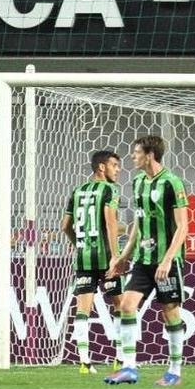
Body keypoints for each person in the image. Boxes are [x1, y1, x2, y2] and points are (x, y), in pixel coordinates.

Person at [104, 135, 191, 387]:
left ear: (150, 154)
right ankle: (129, 368)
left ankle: (174, 372)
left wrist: (167, 260)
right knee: (127, 306)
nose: (132, 156)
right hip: (143, 259)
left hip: (167, 261)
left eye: (137, 152)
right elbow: (138, 223)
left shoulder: (172, 182)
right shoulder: (138, 181)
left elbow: (183, 226)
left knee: (170, 311)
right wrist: (124, 256)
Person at [59, 149, 123, 375]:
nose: (118, 170)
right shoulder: (110, 190)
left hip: (83, 258)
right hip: (105, 257)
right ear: (102, 167)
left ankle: (84, 362)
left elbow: (64, 226)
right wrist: (116, 256)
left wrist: (78, 244)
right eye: (114, 165)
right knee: (120, 306)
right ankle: (120, 359)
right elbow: (111, 222)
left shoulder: (77, 191)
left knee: (82, 310)